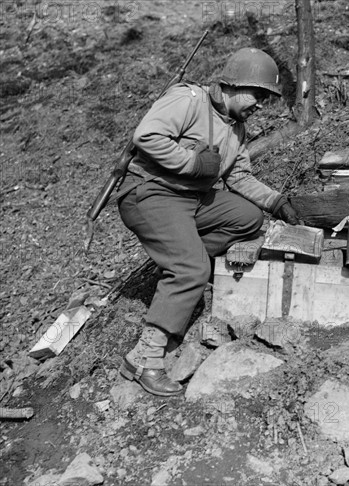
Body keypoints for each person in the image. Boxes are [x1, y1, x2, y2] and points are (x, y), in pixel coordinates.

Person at [116, 47, 300, 396]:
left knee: (247, 217)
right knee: (193, 269)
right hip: (151, 192)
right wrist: (191, 164)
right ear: (234, 84)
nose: (260, 104)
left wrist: (277, 202)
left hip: (192, 199)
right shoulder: (188, 100)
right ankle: (144, 357)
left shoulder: (237, 128)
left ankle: (179, 260)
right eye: (258, 94)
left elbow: (240, 177)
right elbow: (147, 136)